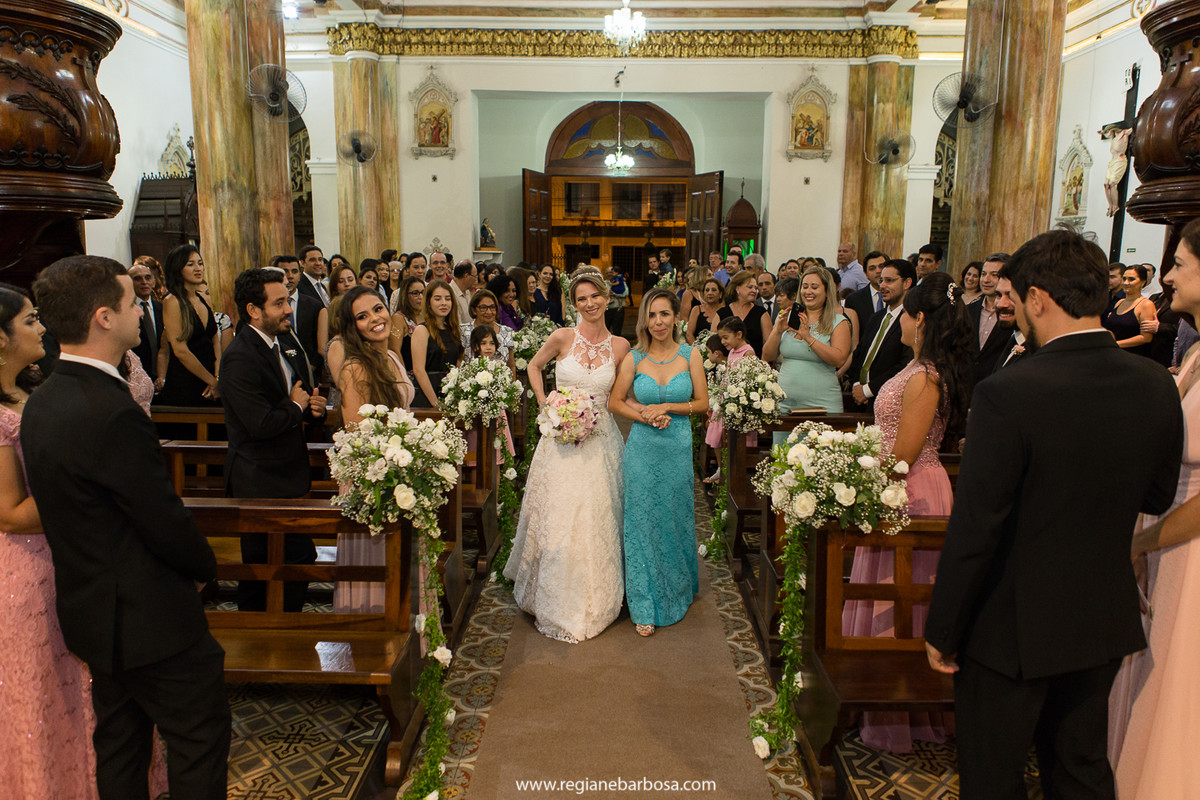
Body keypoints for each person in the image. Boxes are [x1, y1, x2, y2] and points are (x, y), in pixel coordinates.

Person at [924, 230, 1183, 800]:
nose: (1010, 309)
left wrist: (944, 628)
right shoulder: (1155, 385)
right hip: (1099, 618)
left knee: (994, 777)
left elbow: (977, 527)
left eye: (1013, 298)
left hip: (1007, 626)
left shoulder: (1010, 392)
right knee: (1081, 772)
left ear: (1038, 298)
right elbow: (1158, 497)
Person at [24, 256, 230, 800]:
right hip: (150, 617)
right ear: (103, 318)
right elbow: (159, 516)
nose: (141, 308)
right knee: (198, 744)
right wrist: (205, 569)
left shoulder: (44, 399)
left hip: (95, 613)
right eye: (130, 301)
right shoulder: (110, 410)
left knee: (120, 746)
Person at [842, 271, 975, 752]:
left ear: (919, 318)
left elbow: (905, 454)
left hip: (913, 489)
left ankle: (905, 706)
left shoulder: (925, 377)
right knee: (888, 587)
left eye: (905, 314)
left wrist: (856, 479)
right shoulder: (916, 367)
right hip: (897, 484)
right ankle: (875, 693)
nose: (898, 320)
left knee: (906, 593)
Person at [1109, 219, 1200, 798]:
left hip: (1188, 552)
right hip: (1168, 541)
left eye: (1182, 265)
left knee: (1177, 698)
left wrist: (1141, 543)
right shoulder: (1195, 351)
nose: (1167, 276)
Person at [504, 268, 632, 642]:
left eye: (595, 296)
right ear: (573, 303)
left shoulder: (621, 346)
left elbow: (621, 397)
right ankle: (552, 592)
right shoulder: (562, 337)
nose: (589, 304)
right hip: (559, 439)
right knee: (559, 512)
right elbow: (533, 366)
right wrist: (548, 405)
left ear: (607, 298)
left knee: (597, 513)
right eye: (581, 299)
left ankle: (599, 592)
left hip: (601, 440)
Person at [219, 268, 326, 613]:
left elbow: (286, 399)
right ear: (254, 309)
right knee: (263, 568)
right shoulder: (239, 356)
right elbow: (260, 423)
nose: (288, 309)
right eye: (279, 303)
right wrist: (297, 405)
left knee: (288, 560)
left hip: (282, 475)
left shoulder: (277, 344)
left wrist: (311, 408)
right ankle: (260, 635)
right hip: (259, 479)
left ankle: (280, 628)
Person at [610, 288, 709, 637]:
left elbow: (703, 404)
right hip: (642, 449)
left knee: (674, 517)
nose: (658, 322)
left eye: (664, 314)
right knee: (641, 523)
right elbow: (615, 402)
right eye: (651, 316)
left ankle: (679, 588)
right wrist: (645, 417)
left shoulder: (690, 355)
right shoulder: (634, 359)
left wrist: (667, 408)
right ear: (644, 321)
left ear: (676, 318)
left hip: (677, 447)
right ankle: (644, 602)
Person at [334, 287, 414, 614]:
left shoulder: (392, 356)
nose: (375, 319)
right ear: (353, 327)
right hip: (373, 477)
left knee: (401, 561)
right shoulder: (355, 368)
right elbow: (357, 433)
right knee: (377, 564)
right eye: (362, 316)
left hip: (399, 467)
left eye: (378, 309)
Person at [765, 265, 850, 414]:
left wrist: (808, 338)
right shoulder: (790, 317)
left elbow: (839, 359)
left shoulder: (838, 321)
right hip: (785, 404)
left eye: (814, 287)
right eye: (804, 287)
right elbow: (768, 356)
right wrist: (777, 331)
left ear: (827, 291)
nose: (808, 292)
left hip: (822, 405)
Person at [157, 244, 221, 406]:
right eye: (190, 264)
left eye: (200, 263)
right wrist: (211, 381)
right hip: (186, 380)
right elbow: (181, 351)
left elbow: (214, 339)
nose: (198, 268)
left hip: (212, 376)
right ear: (178, 268)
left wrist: (218, 375)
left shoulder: (204, 298)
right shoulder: (172, 302)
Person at [849, 259, 916, 411]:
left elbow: (905, 364)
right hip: (860, 401)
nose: (882, 286)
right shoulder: (877, 317)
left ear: (907, 283)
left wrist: (867, 390)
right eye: (881, 281)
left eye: (889, 281)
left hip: (889, 401)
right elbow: (859, 354)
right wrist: (856, 386)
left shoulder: (912, 320)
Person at [410, 280, 462, 408]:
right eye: (438, 299)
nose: (444, 303)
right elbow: (418, 370)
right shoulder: (422, 330)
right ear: (428, 302)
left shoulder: (453, 330)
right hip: (427, 396)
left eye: (447, 299)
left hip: (449, 395)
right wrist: (435, 403)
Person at [968, 254, 1013, 385]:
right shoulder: (968, 310)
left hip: (998, 385)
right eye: (983, 274)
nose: (986, 280)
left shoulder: (1012, 314)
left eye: (994, 275)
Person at [1102, 263, 1156, 357]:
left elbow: (1146, 337)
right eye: (1124, 279)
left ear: (1142, 282)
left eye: (1131, 279)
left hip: (1132, 356)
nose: (1126, 283)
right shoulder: (1120, 302)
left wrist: (1117, 344)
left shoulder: (1146, 305)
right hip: (1113, 354)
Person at [717, 270, 770, 357]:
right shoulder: (722, 313)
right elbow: (714, 342)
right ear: (737, 288)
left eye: (756, 288)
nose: (754, 291)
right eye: (750, 287)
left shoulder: (761, 313)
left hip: (753, 365)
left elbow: (768, 343)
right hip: (725, 365)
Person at [389, 276, 425, 372]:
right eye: (415, 293)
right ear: (405, 295)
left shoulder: (427, 316)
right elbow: (394, 350)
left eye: (423, 292)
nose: (420, 297)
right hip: (409, 374)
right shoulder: (399, 318)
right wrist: (404, 377)